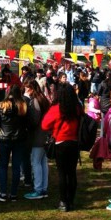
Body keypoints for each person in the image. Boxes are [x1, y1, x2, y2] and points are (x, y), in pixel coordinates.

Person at [41, 83, 82, 212]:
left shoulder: (57, 108)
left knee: (62, 174)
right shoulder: (78, 108)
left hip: (60, 143)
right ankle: (71, 200)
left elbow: (44, 125)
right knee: (72, 173)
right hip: (74, 142)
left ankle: (63, 201)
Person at [0, 84, 27, 202]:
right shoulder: (22, 106)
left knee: (3, 166)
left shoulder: (1, 105)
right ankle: (13, 193)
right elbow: (25, 123)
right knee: (16, 167)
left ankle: (3, 193)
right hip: (19, 139)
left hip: (5, 138)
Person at [23, 79, 52, 200]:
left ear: (32, 88)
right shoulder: (43, 99)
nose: (25, 90)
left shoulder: (35, 101)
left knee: (36, 162)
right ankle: (43, 188)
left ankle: (38, 189)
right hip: (45, 135)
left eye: (27, 88)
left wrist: (27, 124)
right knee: (43, 162)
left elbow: (34, 121)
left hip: (38, 136)